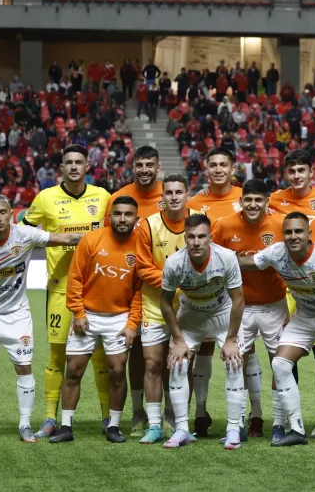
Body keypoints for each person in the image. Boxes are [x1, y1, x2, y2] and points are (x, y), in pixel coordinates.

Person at [21, 145, 112, 439]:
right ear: (61, 168)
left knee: (100, 357)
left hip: (98, 289)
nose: (74, 167)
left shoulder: (103, 197)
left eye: (79, 162)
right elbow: (23, 233)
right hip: (59, 290)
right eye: (69, 163)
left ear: (88, 167)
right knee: (57, 355)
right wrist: (58, 239)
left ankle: (107, 416)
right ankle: (50, 418)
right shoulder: (45, 198)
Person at [0, 195, 83, 443]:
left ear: (12, 214)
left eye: (3, 212)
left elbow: (64, 239)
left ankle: (25, 425)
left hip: (17, 314)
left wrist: (103, 236)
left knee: (23, 366)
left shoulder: (24, 234)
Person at [238, 212, 315, 448]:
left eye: (298, 231)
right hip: (304, 317)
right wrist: (217, 256)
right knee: (279, 363)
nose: (293, 236)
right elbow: (248, 262)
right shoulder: (276, 253)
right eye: (288, 232)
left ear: (309, 234)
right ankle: (296, 428)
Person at [49, 197, 142, 444]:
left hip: (119, 318)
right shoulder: (92, 239)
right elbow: (75, 278)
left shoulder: (141, 244)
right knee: (74, 371)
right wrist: (78, 313)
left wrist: (132, 323)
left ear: (136, 217)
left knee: (118, 372)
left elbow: (139, 290)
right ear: (109, 216)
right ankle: (66, 426)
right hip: (87, 316)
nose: (123, 219)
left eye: (128, 214)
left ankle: (113, 426)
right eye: (118, 214)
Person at [268, 149, 315, 437]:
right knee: (285, 355)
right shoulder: (274, 200)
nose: (297, 176)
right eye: (291, 171)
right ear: (285, 173)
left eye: (302, 170)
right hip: (289, 286)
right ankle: (288, 417)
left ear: (312, 171)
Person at [160, 213, 246, 449]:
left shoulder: (226, 258)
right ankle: (182, 430)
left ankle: (233, 429)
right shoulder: (174, 263)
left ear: (210, 238)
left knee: (234, 360)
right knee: (177, 362)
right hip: (191, 315)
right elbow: (165, 302)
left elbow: (238, 299)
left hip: (223, 312)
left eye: (201, 236)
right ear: (184, 238)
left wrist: (231, 339)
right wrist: (178, 340)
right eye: (191, 237)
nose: (196, 242)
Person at [212, 180, 288, 443]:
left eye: (258, 200)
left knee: (280, 364)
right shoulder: (224, 225)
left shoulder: (280, 224)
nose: (253, 205)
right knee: (236, 363)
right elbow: (214, 258)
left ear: (267, 202)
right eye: (248, 200)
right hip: (238, 306)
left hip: (274, 305)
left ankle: (279, 422)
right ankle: (239, 422)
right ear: (240, 201)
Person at [184, 147, 244, 436]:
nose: (218, 170)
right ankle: (200, 413)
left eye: (224, 165)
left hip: (239, 292)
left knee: (242, 354)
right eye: (213, 165)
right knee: (202, 351)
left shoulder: (245, 199)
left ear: (233, 168)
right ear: (205, 169)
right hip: (203, 289)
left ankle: (243, 419)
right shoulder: (194, 203)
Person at [104, 145, 163, 435]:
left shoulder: (169, 195)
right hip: (130, 284)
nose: (144, 170)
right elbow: (110, 238)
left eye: (149, 165)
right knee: (137, 350)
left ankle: (173, 412)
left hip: (163, 286)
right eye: (139, 165)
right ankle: (138, 410)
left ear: (157, 166)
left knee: (164, 353)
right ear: (132, 166)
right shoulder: (118, 197)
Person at [135, 174, 197, 445]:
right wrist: (170, 280)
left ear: (187, 194)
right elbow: (141, 265)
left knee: (183, 365)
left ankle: (177, 418)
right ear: (162, 197)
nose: (173, 197)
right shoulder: (147, 225)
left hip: (189, 307)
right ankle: (154, 424)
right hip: (154, 306)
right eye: (168, 192)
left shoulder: (198, 221)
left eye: (178, 192)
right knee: (152, 364)